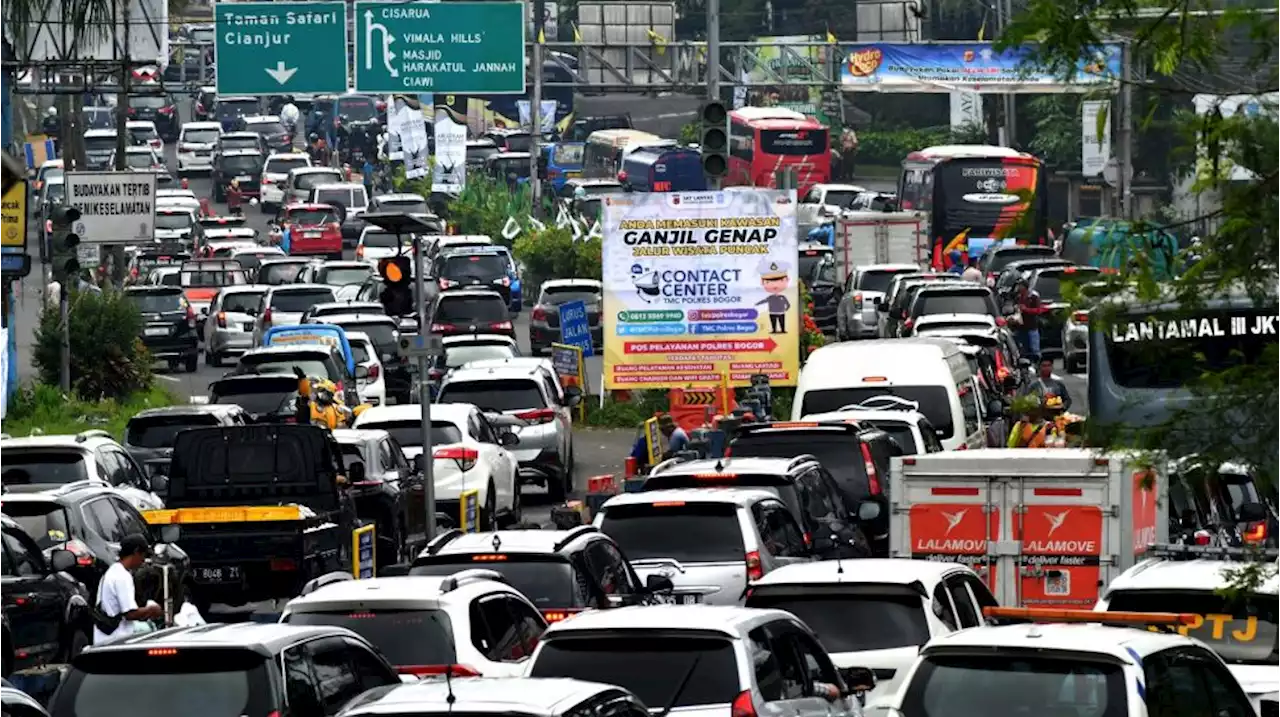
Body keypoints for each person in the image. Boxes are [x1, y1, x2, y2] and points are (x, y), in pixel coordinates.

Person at [93, 534, 163, 645]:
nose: (143, 561)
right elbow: (130, 614)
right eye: (143, 556)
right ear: (136, 552)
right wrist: (152, 609)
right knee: (154, 632)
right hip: (118, 639)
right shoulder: (122, 576)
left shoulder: (112, 571)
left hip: (103, 637)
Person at [1014, 280, 1050, 362]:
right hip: (1021, 327)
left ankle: (1038, 364)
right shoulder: (1018, 297)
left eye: (1020, 286)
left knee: (1035, 349)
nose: (1018, 288)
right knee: (1023, 349)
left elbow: (1038, 310)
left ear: (1025, 287)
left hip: (1032, 326)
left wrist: (1026, 310)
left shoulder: (1033, 297)